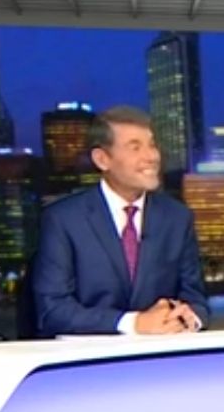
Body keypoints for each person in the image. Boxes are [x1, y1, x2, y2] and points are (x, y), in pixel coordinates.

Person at [30, 106, 209, 336]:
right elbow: (52, 311)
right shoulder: (63, 219)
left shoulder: (177, 218)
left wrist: (187, 318)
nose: (152, 157)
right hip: (92, 356)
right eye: (135, 147)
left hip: (162, 354)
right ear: (102, 159)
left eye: (152, 145)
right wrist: (134, 323)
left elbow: (196, 300)